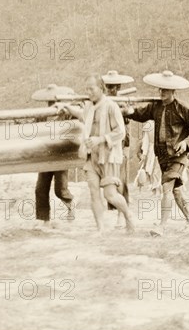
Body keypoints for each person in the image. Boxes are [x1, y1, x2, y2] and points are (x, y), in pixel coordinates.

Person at [126, 70, 189, 237]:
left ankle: (161, 226)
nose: (162, 93)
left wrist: (185, 143)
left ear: (173, 91)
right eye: (160, 90)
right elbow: (140, 114)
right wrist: (127, 111)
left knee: (166, 188)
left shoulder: (182, 108)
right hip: (163, 156)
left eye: (165, 90)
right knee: (176, 191)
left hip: (178, 156)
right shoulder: (155, 107)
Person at [57, 75, 136, 234]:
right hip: (91, 156)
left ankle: (128, 215)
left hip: (108, 157)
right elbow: (81, 115)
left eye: (91, 88)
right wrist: (65, 106)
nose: (88, 92)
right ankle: (100, 229)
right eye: (86, 89)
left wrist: (100, 139)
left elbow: (120, 132)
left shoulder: (111, 106)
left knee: (110, 195)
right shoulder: (88, 107)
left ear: (101, 88)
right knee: (93, 191)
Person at [31, 84, 75, 226]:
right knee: (40, 188)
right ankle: (44, 220)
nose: (52, 104)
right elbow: (34, 129)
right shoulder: (42, 116)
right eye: (50, 102)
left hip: (61, 155)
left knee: (60, 189)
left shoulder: (67, 114)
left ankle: (70, 204)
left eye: (54, 101)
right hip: (45, 155)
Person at [102, 70, 134, 227]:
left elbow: (125, 126)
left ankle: (123, 215)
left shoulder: (122, 103)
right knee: (109, 182)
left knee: (121, 180)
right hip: (105, 146)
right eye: (108, 86)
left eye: (113, 87)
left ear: (119, 87)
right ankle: (118, 212)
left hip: (121, 146)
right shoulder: (102, 101)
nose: (111, 89)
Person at [136, 120, 162, 196]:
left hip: (162, 150)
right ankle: (154, 189)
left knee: (157, 170)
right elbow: (146, 141)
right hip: (151, 151)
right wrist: (144, 154)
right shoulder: (149, 124)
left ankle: (158, 190)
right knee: (150, 170)